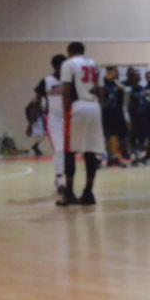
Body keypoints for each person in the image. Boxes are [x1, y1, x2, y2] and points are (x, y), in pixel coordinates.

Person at [58, 42, 104, 206]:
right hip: (94, 106)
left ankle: (69, 193)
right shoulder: (94, 64)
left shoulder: (68, 64)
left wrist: (66, 112)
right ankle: (88, 192)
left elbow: (66, 90)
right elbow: (100, 90)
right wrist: (98, 108)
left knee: (69, 151)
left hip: (78, 107)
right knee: (90, 152)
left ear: (69, 52)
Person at [34, 54, 67, 193]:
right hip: (54, 119)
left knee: (68, 151)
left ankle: (66, 178)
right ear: (56, 67)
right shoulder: (46, 81)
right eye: (63, 66)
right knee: (59, 149)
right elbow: (37, 101)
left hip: (69, 117)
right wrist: (31, 123)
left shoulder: (69, 80)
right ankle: (60, 179)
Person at [102, 66, 128, 166]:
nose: (116, 74)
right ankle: (108, 156)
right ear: (108, 72)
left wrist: (121, 90)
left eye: (117, 73)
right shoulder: (103, 83)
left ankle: (115, 156)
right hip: (105, 112)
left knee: (115, 135)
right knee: (107, 135)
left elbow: (122, 100)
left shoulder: (117, 84)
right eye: (114, 72)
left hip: (116, 112)